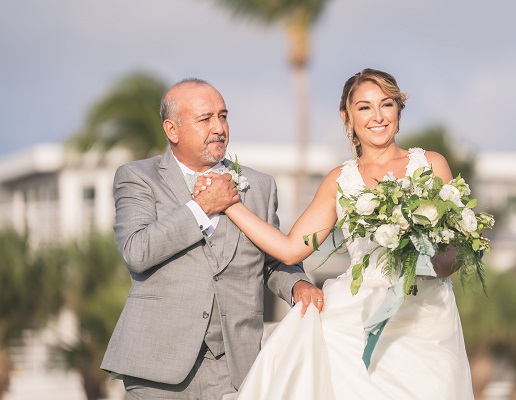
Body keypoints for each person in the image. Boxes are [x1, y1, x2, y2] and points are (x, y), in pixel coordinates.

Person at [207, 68, 475, 399]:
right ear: (347, 117)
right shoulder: (340, 180)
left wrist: (425, 261)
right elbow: (291, 249)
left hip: (427, 319)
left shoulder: (431, 164)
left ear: (399, 111)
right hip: (354, 320)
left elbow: (452, 255)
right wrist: (230, 205)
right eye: (364, 107)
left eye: (386, 104)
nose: (377, 116)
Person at [100, 78, 323, 400]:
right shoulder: (138, 177)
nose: (219, 128)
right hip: (157, 364)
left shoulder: (260, 186)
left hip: (234, 363)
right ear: (172, 130)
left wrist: (298, 285)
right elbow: (136, 251)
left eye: (223, 116)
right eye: (205, 119)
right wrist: (202, 206)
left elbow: (272, 262)